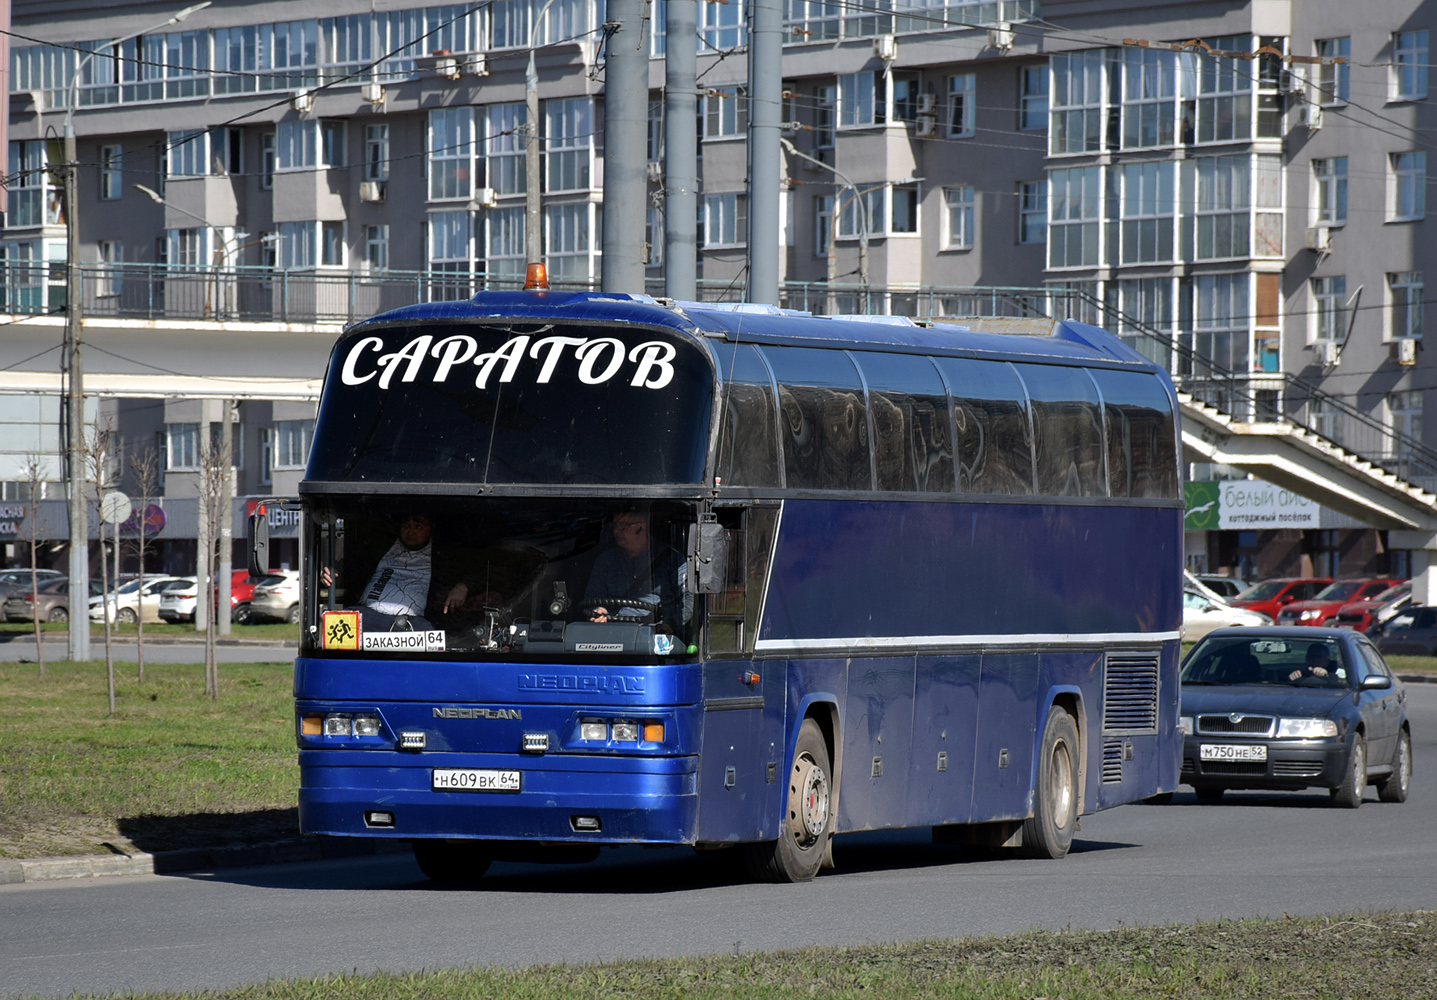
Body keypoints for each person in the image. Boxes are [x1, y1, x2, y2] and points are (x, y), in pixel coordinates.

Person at [321, 512, 469, 632]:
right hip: (366, 617)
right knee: (336, 625)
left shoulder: (444, 555)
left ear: (431, 527)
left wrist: (464, 586)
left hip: (414, 625)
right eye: (406, 525)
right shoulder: (377, 546)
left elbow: (479, 571)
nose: (411, 532)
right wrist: (332, 571)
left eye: (418, 527)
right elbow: (346, 567)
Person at [584, 510, 690, 628]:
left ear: (641, 527)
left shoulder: (672, 560)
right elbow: (592, 597)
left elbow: (689, 598)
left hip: (656, 633)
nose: (616, 531)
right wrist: (598, 609)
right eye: (615, 525)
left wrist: (671, 624)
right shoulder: (606, 560)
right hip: (613, 631)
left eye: (623, 525)